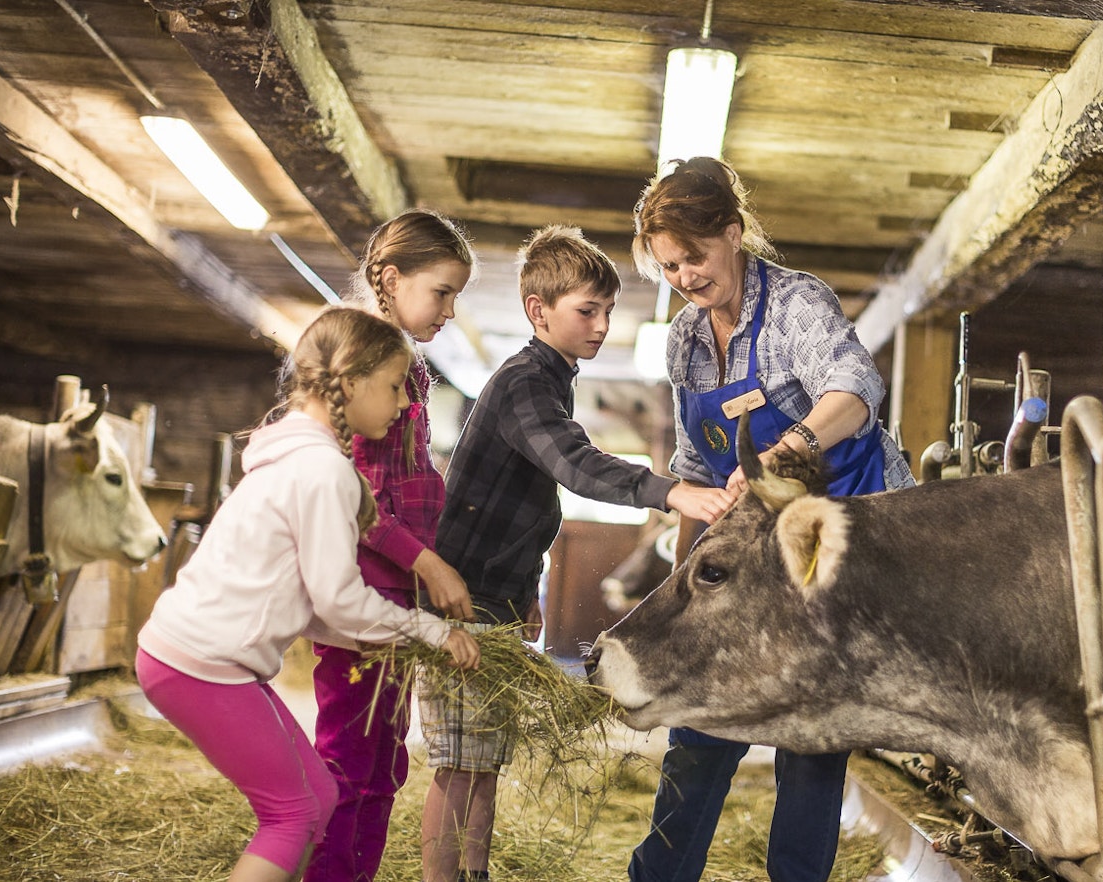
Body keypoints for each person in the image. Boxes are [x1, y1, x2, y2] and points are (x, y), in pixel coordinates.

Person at [626, 156, 917, 882]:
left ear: (733, 233)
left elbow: (856, 387)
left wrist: (796, 443)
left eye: (694, 257)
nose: (686, 278)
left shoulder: (794, 304)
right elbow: (697, 469)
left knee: (811, 740)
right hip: (753, 556)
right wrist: (683, 587)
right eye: (668, 268)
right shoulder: (686, 340)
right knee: (702, 726)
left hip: (836, 545)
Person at [421, 225, 736, 882]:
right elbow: (572, 464)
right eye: (586, 311)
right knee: (458, 767)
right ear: (539, 312)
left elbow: (528, 507)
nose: (601, 325)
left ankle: (472, 876)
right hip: (459, 600)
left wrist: (524, 596)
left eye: (607, 311)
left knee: (482, 763)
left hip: (494, 599)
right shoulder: (522, 383)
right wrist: (667, 491)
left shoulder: (551, 380)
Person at [136, 307, 482, 882]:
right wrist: (432, 632)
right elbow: (341, 599)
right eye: (395, 387)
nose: (402, 405)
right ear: (349, 382)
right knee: (293, 813)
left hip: (195, 655)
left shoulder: (298, 458)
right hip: (202, 662)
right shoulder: (322, 470)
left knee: (319, 794)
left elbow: (316, 609)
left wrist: (408, 639)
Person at [306, 209, 481, 882]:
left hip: (395, 599)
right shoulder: (364, 364)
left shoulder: (404, 368)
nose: (450, 311)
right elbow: (359, 498)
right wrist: (427, 561)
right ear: (390, 277)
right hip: (361, 600)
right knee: (349, 762)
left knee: (384, 762)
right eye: (441, 292)